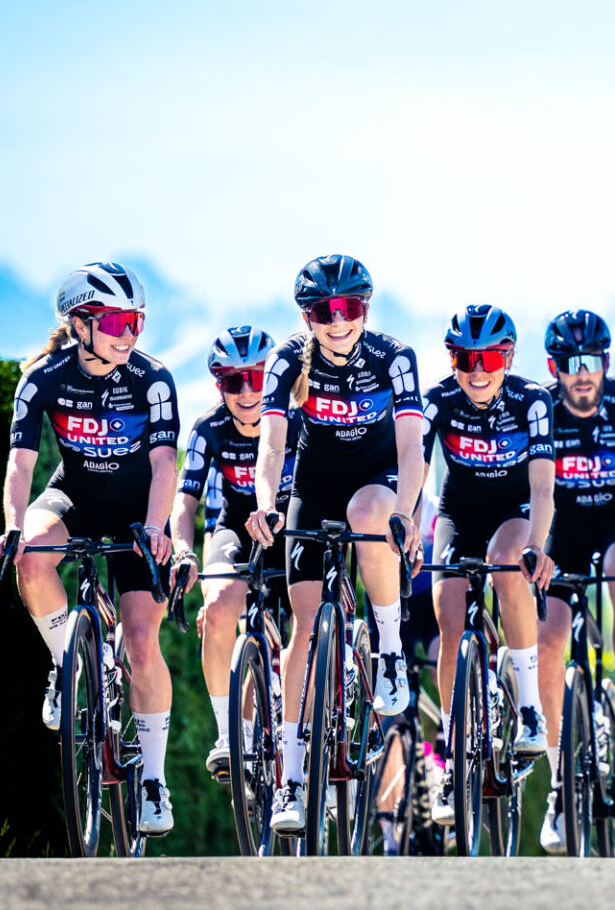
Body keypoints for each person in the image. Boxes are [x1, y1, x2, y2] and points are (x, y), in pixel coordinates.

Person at [0, 262, 181, 835]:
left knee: (142, 644)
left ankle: (153, 780)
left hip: (136, 512)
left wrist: (154, 526)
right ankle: (65, 664)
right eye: (118, 322)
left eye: (137, 321)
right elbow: (21, 464)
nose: (130, 334)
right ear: (80, 323)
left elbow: (164, 462)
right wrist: (13, 527)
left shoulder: (153, 377)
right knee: (30, 555)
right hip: (73, 493)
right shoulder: (42, 378)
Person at [248, 255, 429, 836]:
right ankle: (293, 782)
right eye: (324, 312)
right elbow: (271, 446)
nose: (337, 321)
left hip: (381, 481)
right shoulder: (284, 360)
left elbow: (412, 448)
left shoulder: (393, 357)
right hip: (314, 486)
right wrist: (266, 503)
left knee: (367, 511)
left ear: (365, 309)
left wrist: (406, 513)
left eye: (349, 308)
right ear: (308, 316)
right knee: (303, 627)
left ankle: (391, 649)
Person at [534, 308, 615, 853]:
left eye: (592, 361)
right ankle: (559, 781)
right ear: (554, 366)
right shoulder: (539, 407)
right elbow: (533, 496)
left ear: (607, 362)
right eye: (570, 363)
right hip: (561, 532)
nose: (582, 372)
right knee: (546, 644)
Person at [422, 304, 558, 825]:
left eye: (490, 359)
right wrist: (409, 522)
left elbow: (544, 485)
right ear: (452, 359)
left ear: (509, 358)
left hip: (515, 511)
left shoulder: (533, 400)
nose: (477, 371)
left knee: (506, 565)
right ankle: (456, 758)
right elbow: (415, 468)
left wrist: (539, 547)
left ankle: (528, 707)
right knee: (448, 619)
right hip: (458, 512)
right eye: (464, 359)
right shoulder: (438, 399)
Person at [166, 325, 283, 780]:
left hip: (290, 524)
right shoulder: (208, 428)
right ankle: (228, 734)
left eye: (257, 377)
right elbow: (185, 501)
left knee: (307, 627)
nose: (248, 391)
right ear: (220, 385)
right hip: (234, 525)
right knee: (216, 611)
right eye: (235, 381)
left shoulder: (295, 418)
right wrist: (182, 551)